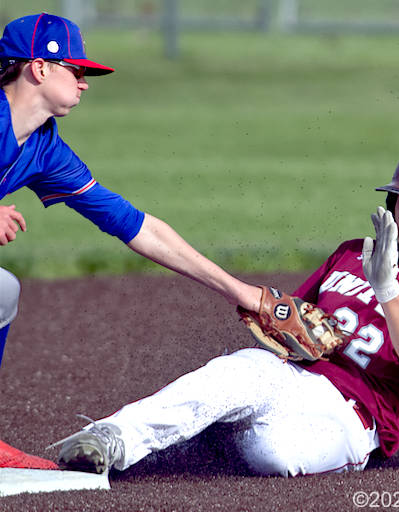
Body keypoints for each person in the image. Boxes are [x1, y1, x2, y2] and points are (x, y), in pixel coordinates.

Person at [52, 145, 399, 477]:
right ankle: (110, 439)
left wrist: (387, 290)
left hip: (352, 421)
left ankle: (214, 430)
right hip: (292, 379)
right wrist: (276, 319)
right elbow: (295, 322)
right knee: (243, 370)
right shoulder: (350, 252)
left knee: (275, 454)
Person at [0, 12, 260, 468]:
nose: (85, 82)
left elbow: (135, 225)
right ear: (39, 68)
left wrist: (242, 294)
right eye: (76, 70)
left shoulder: (43, 148)